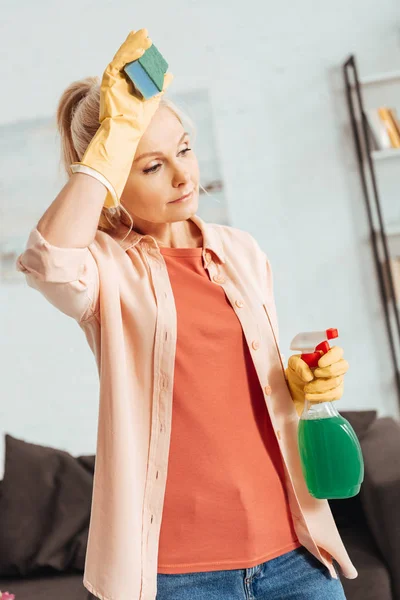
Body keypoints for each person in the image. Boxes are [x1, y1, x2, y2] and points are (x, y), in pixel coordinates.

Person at [16, 29, 356, 600]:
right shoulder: (105, 269)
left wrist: (307, 386)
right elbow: (48, 263)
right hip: (181, 577)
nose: (181, 175)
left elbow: (252, 389)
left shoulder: (240, 250)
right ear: (112, 185)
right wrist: (110, 143)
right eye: (150, 167)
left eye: (184, 149)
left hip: (295, 555)